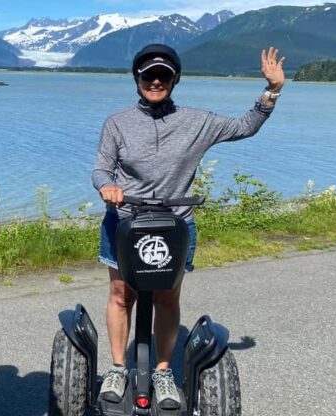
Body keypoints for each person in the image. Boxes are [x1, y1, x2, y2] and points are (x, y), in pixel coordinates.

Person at [92, 44, 285, 409]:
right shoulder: (117, 122)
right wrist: (107, 186)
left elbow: (245, 126)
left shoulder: (197, 121)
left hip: (174, 224)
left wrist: (271, 91)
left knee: (167, 297)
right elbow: (102, 168)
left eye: (163, 75)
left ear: (175, 80)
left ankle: (163, 371)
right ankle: (118, 368)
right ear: (136, 79)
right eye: (148, 75)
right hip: (125, 221)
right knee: (121, 295)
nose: (155, 81)